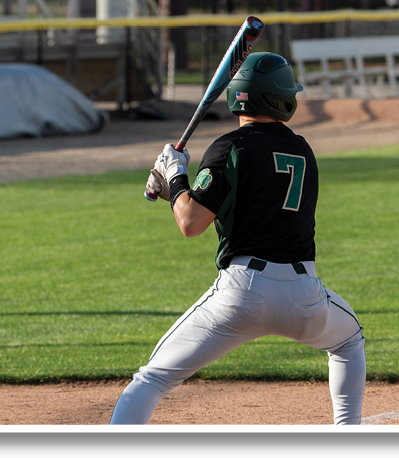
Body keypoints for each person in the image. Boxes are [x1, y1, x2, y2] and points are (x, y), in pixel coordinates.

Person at [111, 52, 367, 425]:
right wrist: (174, 188)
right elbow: (254, 199)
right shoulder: (303, 150)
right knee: (347, 341)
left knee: (151, 379)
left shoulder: (228, 147)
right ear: (280, 98)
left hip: (242, 293)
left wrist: (176, 175)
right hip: (304, 295)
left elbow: (191, 222)